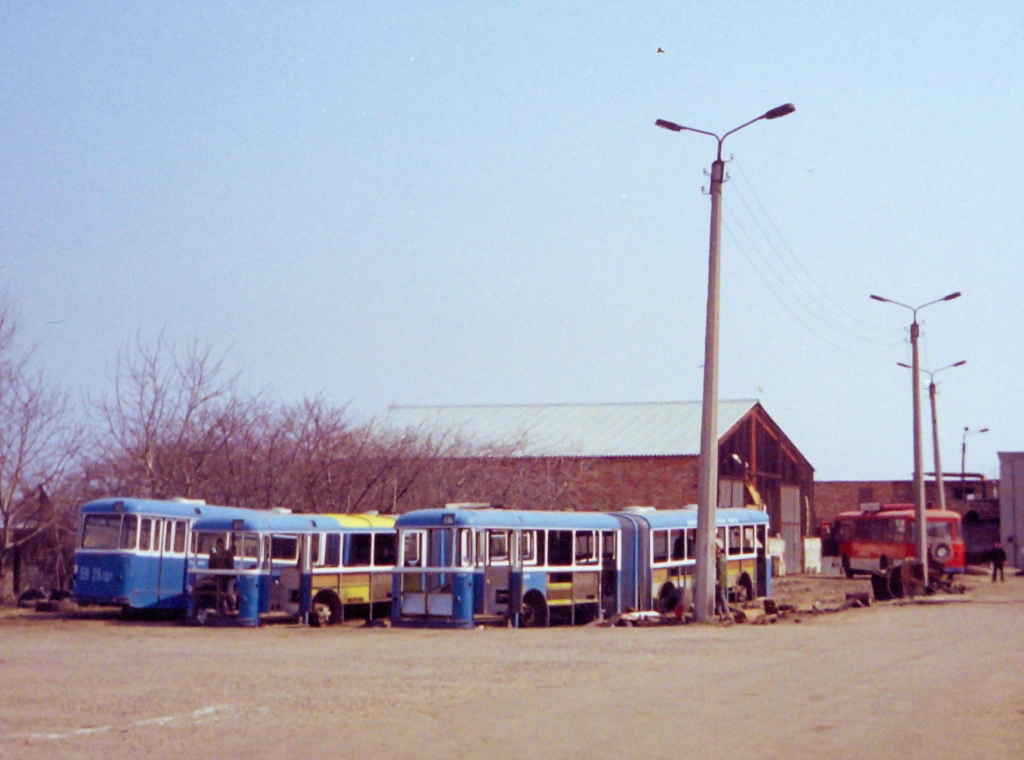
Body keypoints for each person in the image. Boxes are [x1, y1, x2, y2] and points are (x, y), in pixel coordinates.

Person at [714, 545, 729, 619]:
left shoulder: (721, 561)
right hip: (721, 581)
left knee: (721, 597)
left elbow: (721, 573)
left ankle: (726, 612)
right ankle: (721, 614)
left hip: (720, 582)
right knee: (719, 598)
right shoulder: (721, 559)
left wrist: (719, 581)